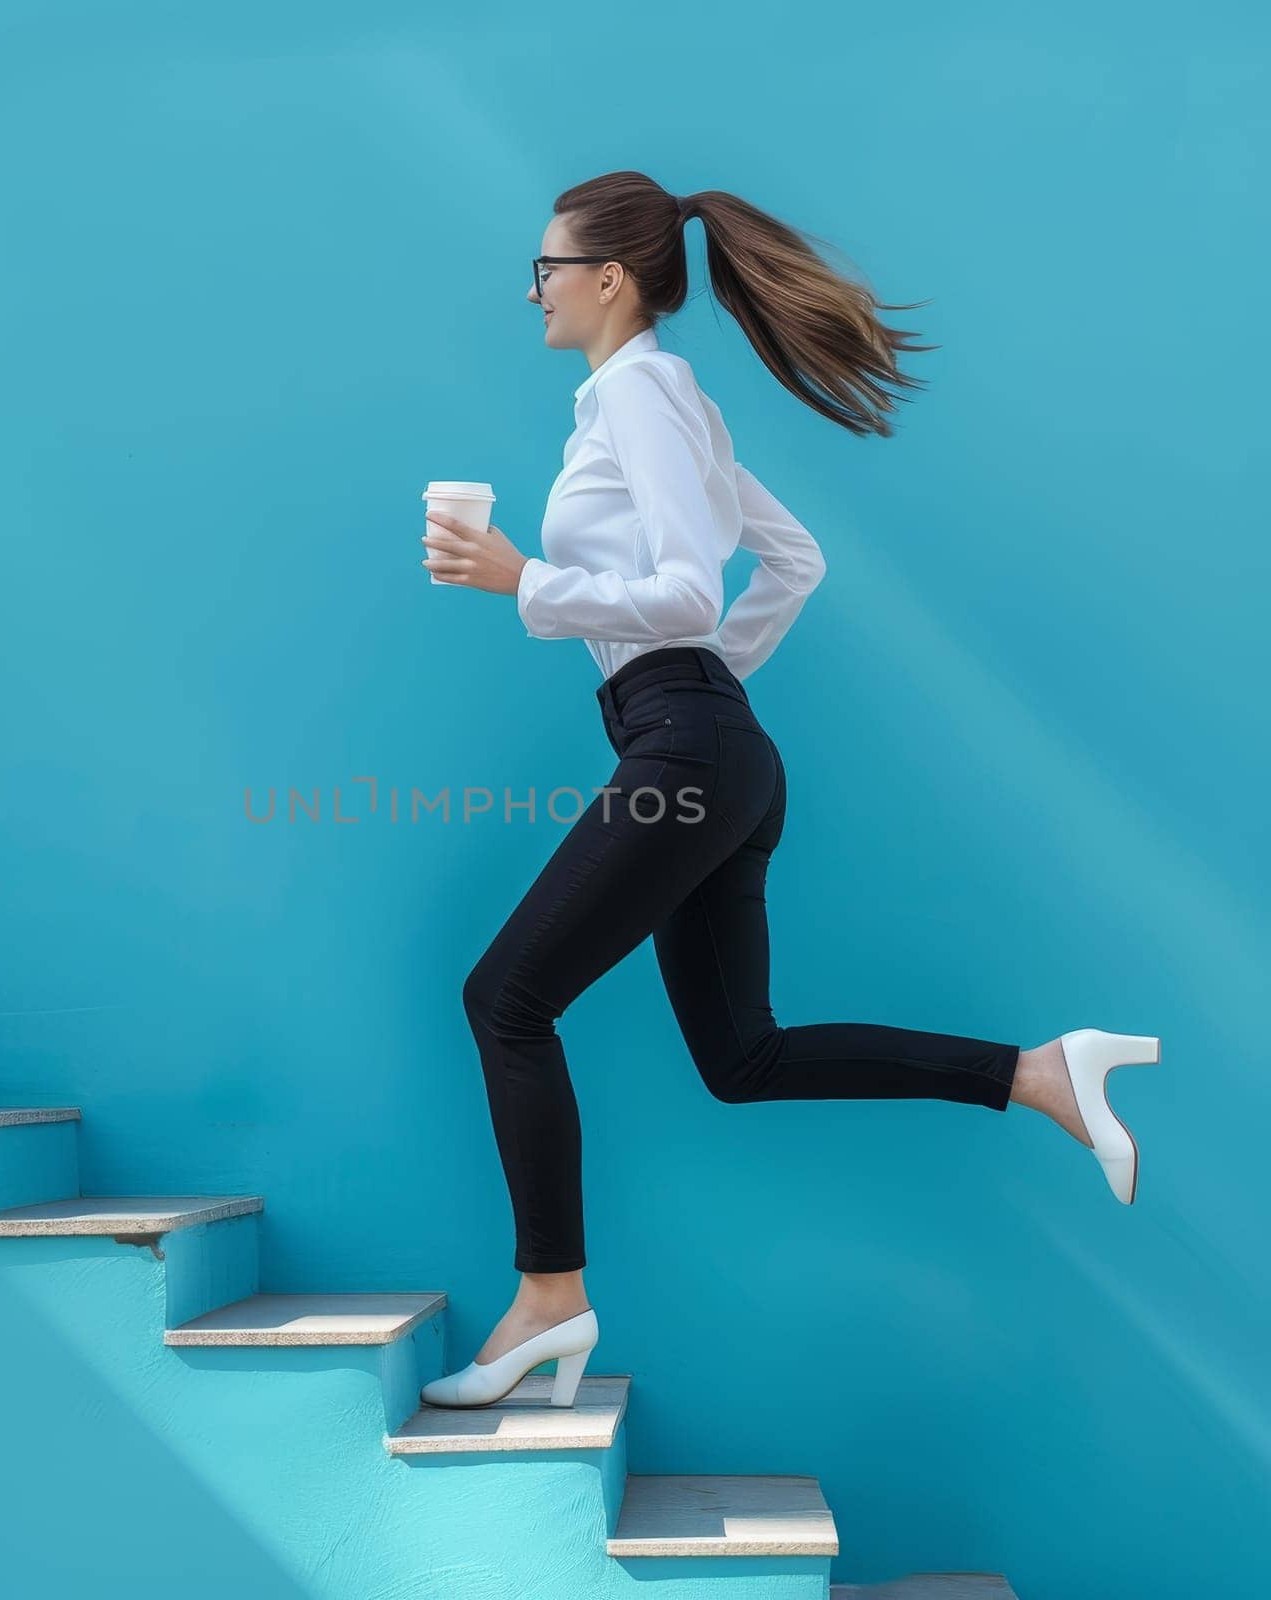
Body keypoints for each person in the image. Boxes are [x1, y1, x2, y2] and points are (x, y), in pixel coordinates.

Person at [417, 170, 1161, 1410]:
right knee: (740, 1056)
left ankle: (550, 1298)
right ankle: (1036, 1073)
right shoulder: (667, 399)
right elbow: (792, 561)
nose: (533, 289)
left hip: (691, 752)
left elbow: (687, 598)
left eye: (545, 267)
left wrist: (525, 582)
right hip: (714, 746)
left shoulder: (640, 393)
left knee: (505, 998)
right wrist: (695, 691)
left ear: (606, 277)